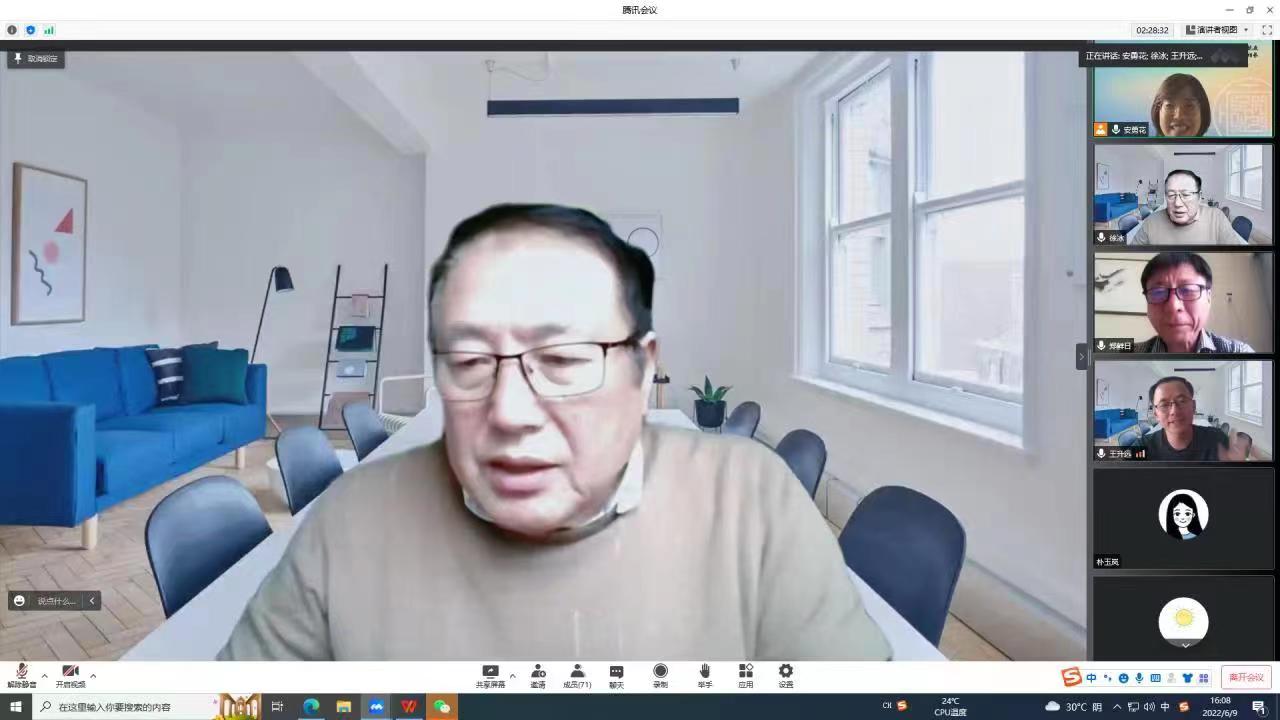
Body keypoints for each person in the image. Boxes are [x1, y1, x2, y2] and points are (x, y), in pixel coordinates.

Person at [219, 204, 891, 661]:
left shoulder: (754, 502)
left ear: (643, 371)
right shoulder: (350, 521)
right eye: (471, 361)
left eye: (565, 359)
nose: (510, 411)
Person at [1132, 251, 1253, 353]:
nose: (1173, 306)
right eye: (1158, 292)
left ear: (1208, 297)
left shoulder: (1239, 353)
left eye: (1187, 290)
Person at [1138, 377, 1247, 461]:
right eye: (1164, 405)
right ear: (1156, 414)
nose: (1174, 411)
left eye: (1182, 401)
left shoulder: (1218, 439)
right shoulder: (1142, 447)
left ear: (1194, 406)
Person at [1126, 170, 1247, 245]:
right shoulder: (1151, 222)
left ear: (1199, 197)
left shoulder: (1217, 218)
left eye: (1186, 195)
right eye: (1171, 195)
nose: (1177, 203)